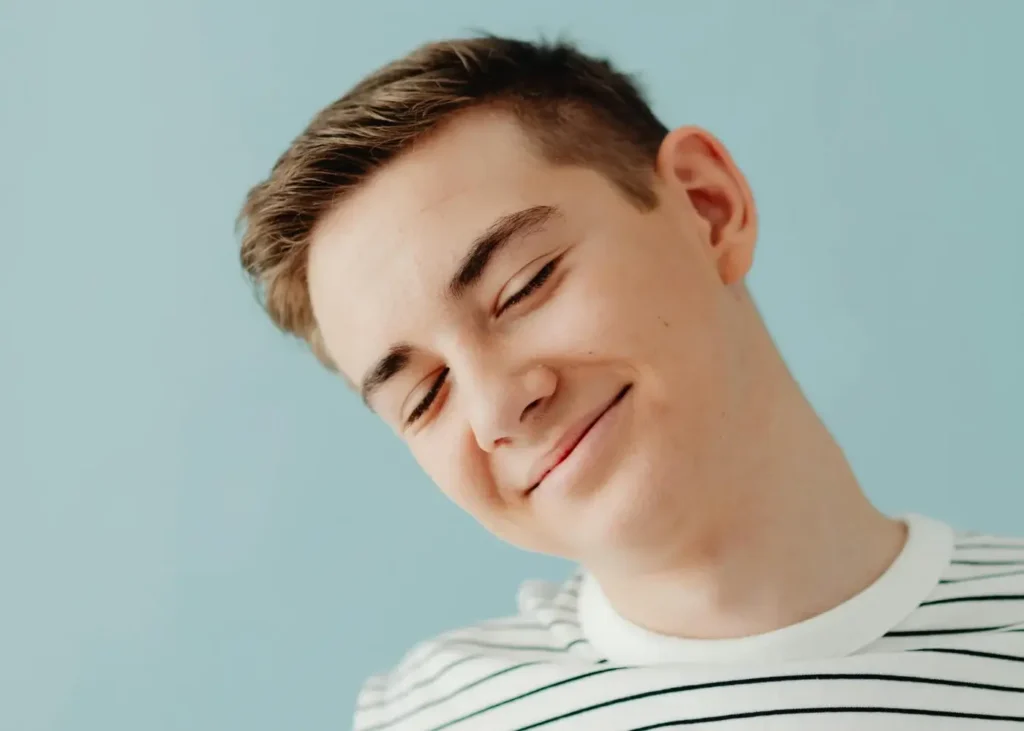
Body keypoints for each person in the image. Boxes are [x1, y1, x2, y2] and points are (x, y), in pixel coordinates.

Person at [237, 35, 1024, 730]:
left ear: (708, 208)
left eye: (525, 284)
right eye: (425, 395)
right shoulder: (426, 714)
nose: (497, 405)